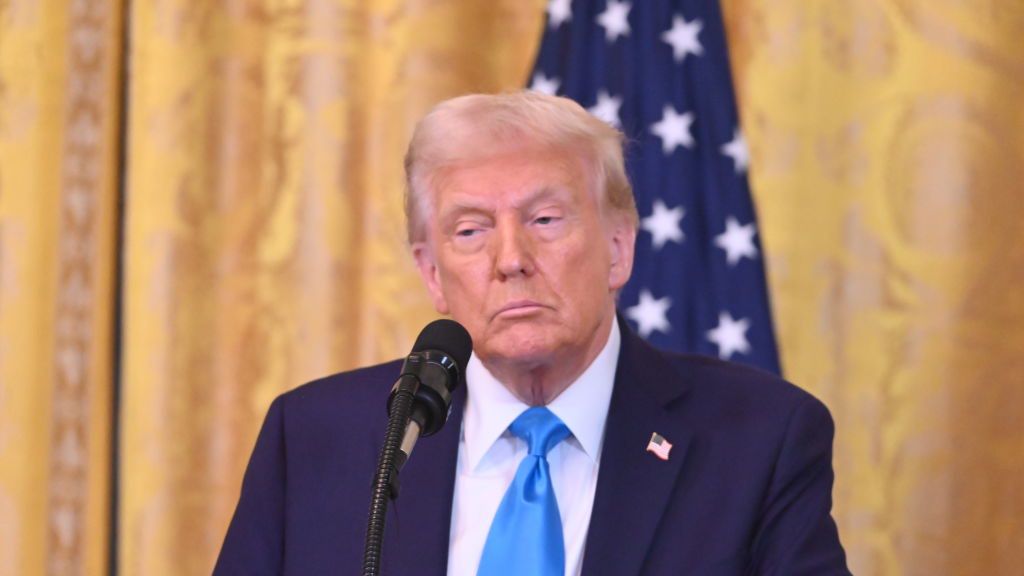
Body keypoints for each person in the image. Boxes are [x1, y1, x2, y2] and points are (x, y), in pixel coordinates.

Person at [214, 92, 850, 575]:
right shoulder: (319, 440)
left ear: (618, 249)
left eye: (545, 219)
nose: (510, 257)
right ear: (432, 274)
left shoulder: (758, 440)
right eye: (470, 230)